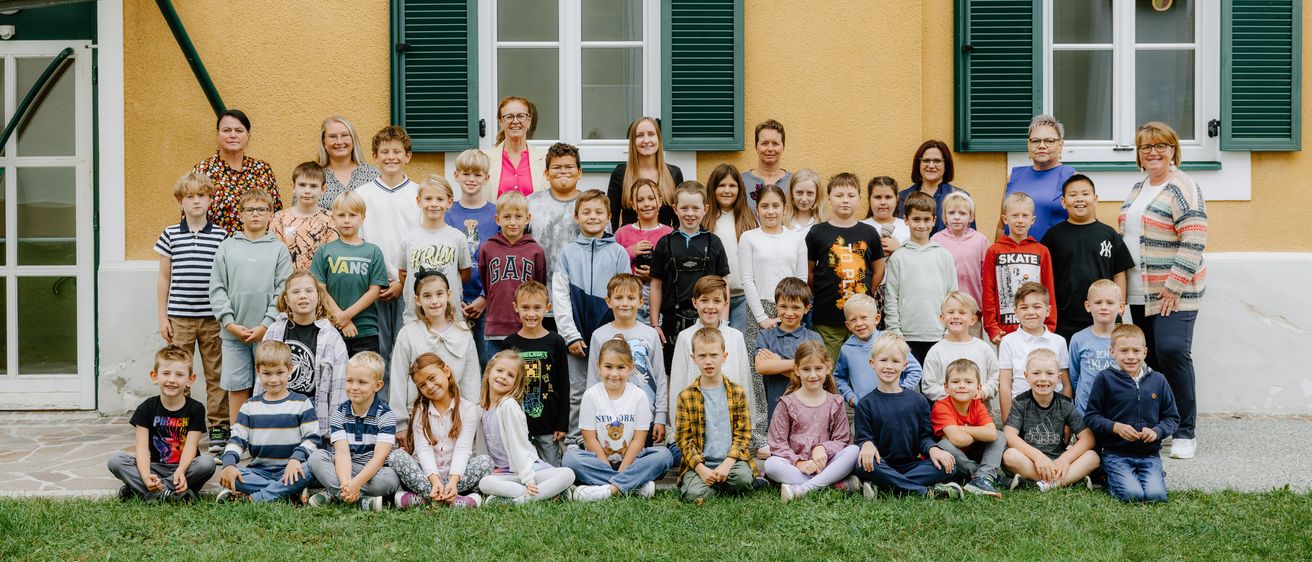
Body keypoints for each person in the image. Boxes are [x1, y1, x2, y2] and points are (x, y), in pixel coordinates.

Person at [1118, 121, 1207, 460]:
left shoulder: (1183, 185)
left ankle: (1186, 431)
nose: (1153, 152)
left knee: (1172, 352)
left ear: (1173, 151)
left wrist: (1173, 286)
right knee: (1149, 359)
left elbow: (1194, 238)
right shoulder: (1139, 187)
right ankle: (1160, 428)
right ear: (1139, 155)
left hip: (1175, 290)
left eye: (1161, 146)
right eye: (1145, 147)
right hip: (1141, 290)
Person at [155, 171, 229, 453]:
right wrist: (163, 317)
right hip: (180, 319)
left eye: (201, 196)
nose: (196, 201)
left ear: (210, 200)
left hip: (212, 318)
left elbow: (225, 277)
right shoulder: (170, 235)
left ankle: (219, 427)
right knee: (177, 372)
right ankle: (177, 426)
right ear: (180, 202)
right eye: (190, 196)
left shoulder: (221, 235)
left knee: (216, 374)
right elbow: (164, 277)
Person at [552, 190, 631, 442]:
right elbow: (560, 296)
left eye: (599, 212)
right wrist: (570, 335)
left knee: (611, 386)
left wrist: (620, 331)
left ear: (609, 217)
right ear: (576, 217)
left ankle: (611, 442)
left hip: (610, 332)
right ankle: (576, 441)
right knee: (577, 392)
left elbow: (626, 294)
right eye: (586, 212)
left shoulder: (618, 252)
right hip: (577, 335)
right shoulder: (567, 253)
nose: (592, 217)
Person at [209, 189, 292, 427]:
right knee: (237, 386)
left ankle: (264, 434)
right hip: (233, 332)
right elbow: (217, 287)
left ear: (270, 215)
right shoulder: (227, 247)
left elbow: (282, 289)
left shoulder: (278, 249)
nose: (256, 214)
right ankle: (238, 436)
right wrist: (229, 322)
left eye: (262, 210)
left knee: (269, 382)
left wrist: (265, 325)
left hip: (267, 334)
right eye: (250, 210)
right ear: (241, 215)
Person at [565, 336, 675, 501]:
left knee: (664, 455)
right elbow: (589, 440)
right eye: (608, 367)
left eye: (621, 367)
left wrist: (623, 470)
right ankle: (634, 487)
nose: (614, 374)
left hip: (632, 461)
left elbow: (638, 441)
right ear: (599, 367)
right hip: (598, 462)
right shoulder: (591, 395)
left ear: (630, 368)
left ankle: (607, 489)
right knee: (570, 459)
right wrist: (607, 466)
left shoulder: (639, 396)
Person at [853, 332, 960, 499]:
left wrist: (933, 449)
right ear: (872, 362)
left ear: (904, 365)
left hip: (912, 465)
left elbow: (924, 437)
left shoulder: (918, 401)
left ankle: (884, 487)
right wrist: (866, 443)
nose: (889, 366)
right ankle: (925, 492)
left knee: (949, 465)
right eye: (883, 360)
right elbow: (862, 438)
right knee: (862, 465)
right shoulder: (865, 404)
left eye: (895, 361)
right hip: (881, 464)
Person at [107, 345, 216, 502]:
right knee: (116, 460)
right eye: (166, 373)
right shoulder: (146, 408)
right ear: (154, 376)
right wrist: (145, 476)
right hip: (154, 468)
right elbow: (142, 448)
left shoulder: (196, 409)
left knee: (207, 463)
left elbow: (191, 447)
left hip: (184, 469)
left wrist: (181, 470)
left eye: (179, 375)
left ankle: (144, 491)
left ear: (190, 380)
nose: (172, 379)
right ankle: (169, 494)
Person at [1084, 324, 1180, 502]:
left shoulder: (1158, 380)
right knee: (1132, 495)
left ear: (1145, 352)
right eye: (1124, 351)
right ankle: (1109, 476)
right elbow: (1091, 416)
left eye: (1136, 351)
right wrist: (1115, 427)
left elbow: (1172, 418)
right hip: (1116, 454)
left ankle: (1154, 473)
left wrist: (1157, 431)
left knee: (1156, 496)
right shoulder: (1105, 379)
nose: (1130, 356)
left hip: (1149, 455)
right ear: (1113, 351)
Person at [216, 341, 320, 503]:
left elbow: (312, 439)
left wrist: (295, 459)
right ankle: (287, 491)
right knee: (233, 475)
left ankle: (259, 497)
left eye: (279, 372)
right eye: (267, 373)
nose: (274, 379)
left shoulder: (301, 403)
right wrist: (228, 464)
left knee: (313, 467)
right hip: (258, 472)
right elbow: (237, 440)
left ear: (290, 369)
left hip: (292, 467)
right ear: (258, 371)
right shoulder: (250, 406)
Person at [388, 353, 491, 508]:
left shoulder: (468, 409)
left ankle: (423, 498)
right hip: (425, 474)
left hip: (455, 474)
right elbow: (423, 449)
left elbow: (463, 448)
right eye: (422, 385)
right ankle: (453, 499)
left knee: (485, 462)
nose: (429, 386)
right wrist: (435, 481)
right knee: (396, 456)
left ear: (446, 371)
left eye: (432, 378)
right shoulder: (420, 410)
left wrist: (453, 481)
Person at [356, 126, 421, 369]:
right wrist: (383, 280)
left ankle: (407, 404)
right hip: (375, 285)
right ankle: (381, 403)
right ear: (375, 156)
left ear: (408, 156)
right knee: (380, 350)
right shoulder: (362, 194)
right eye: (384, 151)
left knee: (408, 348)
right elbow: (361, 241)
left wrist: (401, 281)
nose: (391, 157)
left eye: (397, 151)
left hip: (409, 283)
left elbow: (420, 241)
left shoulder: (418, 195)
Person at [667, 276, 758, 448]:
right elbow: (678, 382)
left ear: (725, 303)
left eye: (717, 301)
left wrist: (748, 425)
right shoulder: (685, 337)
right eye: (704, 300)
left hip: (729, 427)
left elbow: (745, 380)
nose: (710, 306)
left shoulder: (735, 337)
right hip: (696, 427)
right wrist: (677, 429)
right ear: (695, 302)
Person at [1041, 174, 1133, 343]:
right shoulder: (1053, 236)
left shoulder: (1109, 234)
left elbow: (1119, 273)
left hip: (1103, 318)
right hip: (1064, 320)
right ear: (1063, 202)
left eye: (1085, 194)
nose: (1079, 199)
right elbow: (1044, 275)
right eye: (1073, 195)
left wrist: (1119, 310)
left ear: (1095, 199)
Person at [764, 341, 860, 501]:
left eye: (818, 368)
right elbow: (777, 443)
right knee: (771, 464)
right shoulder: (787, 403)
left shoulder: (835, 402)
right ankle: (834, 483)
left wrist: (822, 448)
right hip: (797, 466)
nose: (813, 375)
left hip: (826, 464)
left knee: (853, 451)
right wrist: (799, 462)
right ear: (796, 370)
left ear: (828, 367)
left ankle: (803, 488)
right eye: (806, 369)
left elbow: (841, 439)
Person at [477, 350, 577, 503]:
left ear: (516, 383)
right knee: (485, 483)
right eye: (499, 370)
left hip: (527, 468)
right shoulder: (481, 408)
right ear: (489, 371)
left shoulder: (508, 406)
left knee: (568, 474)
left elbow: (519, 447)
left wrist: (529, 479)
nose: (503, 376)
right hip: (503, 473)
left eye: (511, 375)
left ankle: (519, 501)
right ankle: (548, 494)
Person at [307, 351, 401, 510]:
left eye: (362, 382)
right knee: (316, 458)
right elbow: (342, 453)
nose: (354, 387)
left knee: (390, 479)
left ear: (377, 386)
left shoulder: (385, 415)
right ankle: (360, 501)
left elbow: (379, 458)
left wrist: (356, 483)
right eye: (349, 381)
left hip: (374, 471)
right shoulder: (339, 413)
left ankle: (335, 494)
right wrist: (346, 483)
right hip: (344, 467)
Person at [650, 181, 731, 366]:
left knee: (706, 367)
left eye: (695, 208)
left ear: (705, 209)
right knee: (674, 370)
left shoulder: (714, 242)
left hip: (708, 321)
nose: (690, 213)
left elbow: (723, 283)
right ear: (675, 209)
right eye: (684, 208)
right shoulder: (665, 243)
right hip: (672, 324)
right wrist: (655, 324)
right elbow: (656, 285)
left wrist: (723, 322)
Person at [806, 173, 884, 360]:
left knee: (862, 365)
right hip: (827, 317)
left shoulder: (869, 232)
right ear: (829, 199)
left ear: (859, 199)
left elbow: (879, 269)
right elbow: (809, 272)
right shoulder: (817, 232)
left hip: (861, 318)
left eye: (850, 195)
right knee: (828, 368)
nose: (845, 201)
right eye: (839, 195)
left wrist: (867, 294)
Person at [260, 271, 348, 438]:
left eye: (309, 291)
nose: (303, 296)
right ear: (286, 299)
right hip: (279, 418)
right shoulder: (275, 331)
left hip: (314, 421)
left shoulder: (331, 337)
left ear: (318, 296)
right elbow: (261, 378)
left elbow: (339, 388)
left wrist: (333, 433)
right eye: (296, 292)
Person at [585, 274, 669, 446]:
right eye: (618, 298)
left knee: (655, 457)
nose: (625, 303)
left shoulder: (651, 335)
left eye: (631, 298)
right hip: (607, 416)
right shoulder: (599, 336)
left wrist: (660, 417)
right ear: (608, 301)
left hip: (643, 416)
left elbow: (660, 378)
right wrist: (591, 415)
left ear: (641, 301)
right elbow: (593, 380)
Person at [675, 328, 756, 504]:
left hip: (732, 461)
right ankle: (717, 484)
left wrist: (728, 463)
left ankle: (723, 483)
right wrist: (701, 469)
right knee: (692, 495)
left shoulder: (737, 392)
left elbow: (743, 434)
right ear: (693, 358)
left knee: (741, 478)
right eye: (702, 356)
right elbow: (683, 439)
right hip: (700, 463)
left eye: (714, 355)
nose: (708, 361)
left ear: (724, 356)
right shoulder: (686, 396)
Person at [1002, 348, 1100, 491]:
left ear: (1059, 377)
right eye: (1036, 373)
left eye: (1049, 373)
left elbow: (1088, 438)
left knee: (1093, 457)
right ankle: (1064, 481)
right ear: (1026, 376)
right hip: (1031, 460)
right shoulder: (1020, 402)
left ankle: (1040, 485)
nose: (1043, 378)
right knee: (1010, 456)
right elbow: (1009, 435)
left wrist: (1065, 459)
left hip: (1058, 461)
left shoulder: (1065, 404)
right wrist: (1037, 456)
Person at [309, 191, 390, 362]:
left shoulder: (372, 251)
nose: (347, 220)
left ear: (362, 217)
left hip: (366, 330)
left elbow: (375, 290)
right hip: (330, 328)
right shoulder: (324, 251)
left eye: (352, 215)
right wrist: (340, 318)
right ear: (333, 217)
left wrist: (346, 317)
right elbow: (319, 288)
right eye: (341, 215)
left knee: (365, 381)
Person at [390, 273, 481, 419]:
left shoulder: (463, 333)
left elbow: (472, 379)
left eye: (439, 294)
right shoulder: (408, 333)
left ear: (449, 295)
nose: (434, 301)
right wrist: (400, 420)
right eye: (427, 296)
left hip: (456, 415)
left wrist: (472, 416)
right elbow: (398, 379)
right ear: (417, 300)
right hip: (419, 415)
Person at [883, 192, 958, 364]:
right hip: (906, 336)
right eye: (916, 219)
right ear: (906, 220)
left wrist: (949, 329)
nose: (921, 225)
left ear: (933, 220)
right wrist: (895, 332)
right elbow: (891, 298)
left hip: (939, 334)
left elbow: (952, 296)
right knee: (909, 385)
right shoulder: (898, 257)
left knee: (934, 384)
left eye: (926, 219)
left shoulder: (944, 255)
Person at [502, 282, 570, 465]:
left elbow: (564, 384)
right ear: (516, 307)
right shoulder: (510, 343)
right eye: (525, 307)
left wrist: (562, 423)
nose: (531, 314)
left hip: (548, 424)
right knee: (522, 468)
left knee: (553, 470)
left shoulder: (556, 342)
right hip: (520, 424)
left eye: (537, 308)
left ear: (547, 308)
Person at [739, 184, 806, 362]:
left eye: (776, 206)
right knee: (761, 367)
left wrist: (792, 309)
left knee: (791, 362)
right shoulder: (748, 238)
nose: (770, 212)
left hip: (790, 309)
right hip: (760, 307)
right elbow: (747, 280)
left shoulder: (796, 238)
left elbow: (802, 278)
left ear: (784, 208)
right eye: (765, 206)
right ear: (757, 209)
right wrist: (762, 317)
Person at [446, 149, 500, 368]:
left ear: (487, 178)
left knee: (486, 361)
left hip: (487, 299)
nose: (471, 179)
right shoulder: (447, 213)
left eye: (477, 174)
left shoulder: (496, 215)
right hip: (453, 299)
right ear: (456, 176)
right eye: (466, 174)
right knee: (456, 361)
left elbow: (501, 262)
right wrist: (451, 297)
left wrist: (484, 297)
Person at [753, 278, 824, 440]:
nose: (789, 313)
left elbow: (817, 375)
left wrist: (777, 363)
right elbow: (761, 367)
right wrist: (801, 365)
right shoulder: (766, 336)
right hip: (776, 409)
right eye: (783, 306)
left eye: (796, 307)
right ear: (776, 306)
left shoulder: (814, 338)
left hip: (809, 411)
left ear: (807, 308)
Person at [982, 192, 1056, 344]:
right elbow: (988, 291)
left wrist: (1049, 324)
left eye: (1025, 215)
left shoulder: (1042, 251)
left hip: (1037, 328)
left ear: (1032, 220)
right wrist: (992, 327)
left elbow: (1049, 289)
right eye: (1015, 215)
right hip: (1004, 331)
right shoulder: (994, 251)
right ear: (1005, 219)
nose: (1020, 220)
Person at [398, 175, 472, 326]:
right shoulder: (409, 239)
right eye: (428, 198)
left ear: (449, 202)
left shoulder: (457, 238)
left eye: (440, 199)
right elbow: (404, 276)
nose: (434, 204)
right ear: (419, 201)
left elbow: (464, 274)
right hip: (416, 319)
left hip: (450, 317)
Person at [480, 191, 547, 355]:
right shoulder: (488, 248)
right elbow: (485, 282)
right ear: (497, 219)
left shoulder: (535, 250)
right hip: (495, 326)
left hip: (525, 327)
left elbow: (539, 286)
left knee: (525, 375)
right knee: (496, 376)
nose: (513, 222)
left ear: (527, 218)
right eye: (507, 216)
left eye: (518, 216)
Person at [193, 108, 281, 234]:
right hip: (216, 249)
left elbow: (276, 213)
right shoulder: (203, 170)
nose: (233, 135)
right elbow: (190, 215)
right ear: (217, 134)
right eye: (227, 130)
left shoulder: (262, 169)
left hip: (258, 248)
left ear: (248, 135)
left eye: (239, 130)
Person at [998, 282, 1070, 423]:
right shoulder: (1008, 341)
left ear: (1048, 310)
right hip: (1021, 414)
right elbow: (1005, 385)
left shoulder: (1059, 341)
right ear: (1016, 311)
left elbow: (1065, 384)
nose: (1030, 312)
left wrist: (1066, 423)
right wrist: (1008, 422)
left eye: (1037, 307)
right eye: (1024, 308)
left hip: (1054, 414)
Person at [931, 359, 1004, 497]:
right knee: (944, 443)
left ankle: (983, 476)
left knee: (1000, 435)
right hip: (952, 460)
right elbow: (959, 440)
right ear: (946, 387)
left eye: (968, 382)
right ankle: (984, 476)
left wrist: (959, 428)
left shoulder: (977, 405)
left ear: (978, 388)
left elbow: (992, 434)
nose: (962, 386)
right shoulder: (941, 407)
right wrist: (977, 432)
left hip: (972, 453)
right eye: (955, 382)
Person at [833, 294, 922, 407]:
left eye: (864, 317)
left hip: (895, 406)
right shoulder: (847, 349)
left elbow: (915, 370)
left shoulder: (890, 341)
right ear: (848, 325)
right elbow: (840, 376)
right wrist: (850, 396)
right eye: (853, 320)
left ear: (876, 319)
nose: (859, 323)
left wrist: (902, 393)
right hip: (865, 409)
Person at [997, 114, 1076, 242]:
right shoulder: (1013, 177)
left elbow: (1082, 226)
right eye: (1035, 141)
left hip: (1053, 257)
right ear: (1028, 144)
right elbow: (1001, 225)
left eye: (1049, 141)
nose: (1042, 146)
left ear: (1060, 145)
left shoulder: (1071, 178)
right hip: (1014, 257)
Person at [920, 292, 999, 416]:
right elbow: (928, 386)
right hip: (947, 415)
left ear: (972, 319)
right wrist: (954, 394)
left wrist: (983, 391)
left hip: (979, 414)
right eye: (951, 312)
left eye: (962, 313)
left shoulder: (983, 348)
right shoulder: (936, 351)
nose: (956, 316)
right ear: (942, 318)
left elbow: (995, 377)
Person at [704, 164, 760, 335]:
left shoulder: (750, 220)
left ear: (740, 189)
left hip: (745, 296)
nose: (727, 190)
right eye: (721, 185)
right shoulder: (705, 221)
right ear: (713, 189)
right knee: (716, 343)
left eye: (732, 185)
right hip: (714, 297)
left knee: (740, 344)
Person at [614, 179, 674, 325]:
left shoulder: (670, 234)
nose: (646, 204)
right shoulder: (622, 233)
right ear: (633, 205)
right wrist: (630, 251)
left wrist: (654, 276)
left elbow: (674, 271)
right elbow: (612, 266)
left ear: (660, 201)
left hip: (660, 303)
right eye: (640, 200)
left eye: (651, 198)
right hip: (628, 302)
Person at [607, 116, 684, 230]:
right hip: (629, 244)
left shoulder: (674, 173)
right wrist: (626, 248)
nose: (646, 140)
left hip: (664, 245)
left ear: (659, 139)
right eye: (640, 135)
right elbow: (611, 223)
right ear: (633, 142)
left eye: (651, 134)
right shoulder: (620, 174)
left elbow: (679, 222)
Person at [931, 191, 990, 337]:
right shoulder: (936, 240)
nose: (956, 217)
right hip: (945, 309)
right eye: (951, 213)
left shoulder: (980, 240)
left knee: (972, 348)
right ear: (945, 217)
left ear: (971, 216)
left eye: (962, 213)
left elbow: (986, 276)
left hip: (972, 308)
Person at [527, 143, 584, 281]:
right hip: (536, 291)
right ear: (546, 173)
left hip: (578, 288)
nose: (563, 171)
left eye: (569, 167)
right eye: (557, 167)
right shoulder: (530, 203)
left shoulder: (591, 205)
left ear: (579, 172)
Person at [270, 161, 338, 271]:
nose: (307, 191)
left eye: (313, 186)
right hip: (287, 283)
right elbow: (274, 254)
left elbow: (332, 256)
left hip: (320, 284)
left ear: (323, 189)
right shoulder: (279, 218)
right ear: (293, 187)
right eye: (302, 185)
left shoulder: (331, 219)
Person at [1071, 280, 1126, 414]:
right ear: (1088, 306)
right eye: (1098, 302)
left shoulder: (1126, 339)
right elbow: (1074, 377)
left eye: (1110, 302)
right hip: (1086, 413)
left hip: (1118, 412)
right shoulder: (1078, 339)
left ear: (1121, 306)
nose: (1104, 307)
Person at [896, 140, 971, 235]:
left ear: (946, 164)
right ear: (918, 164)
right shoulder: (903, 197)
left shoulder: (961, 197)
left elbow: (970, 237)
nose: (931, 166)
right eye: (926, 160)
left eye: (937, 161)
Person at [483, 96, 547, 200]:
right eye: (509, 116)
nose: (515, 121)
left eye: (521, 116)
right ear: (501, 122)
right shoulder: (485, 159)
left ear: (529, 121)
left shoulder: (545, 159)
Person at [316, 115, 380, 209]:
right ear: (324, 142)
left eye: (345, 135)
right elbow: (298, 217)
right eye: (332, 136)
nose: (339, 142)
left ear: (353, 139)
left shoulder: (374, 176)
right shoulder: (312, 177)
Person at [740, 119, 793, 205]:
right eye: (764, 143)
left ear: (783, 147)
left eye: (775, 143)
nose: (770, 149)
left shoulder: (794, 182)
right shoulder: (740, 181)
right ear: (756, 147)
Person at [861, 176, 909, 257]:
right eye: (877, 197)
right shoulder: (860, 227)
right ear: (869, 199)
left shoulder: (907, 227)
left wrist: (899, 249)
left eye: (888, 197)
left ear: (897, 199)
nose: (883, 202)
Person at [785, 169, 824, 233]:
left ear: (817, 195)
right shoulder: (783, 220)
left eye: (810, 193)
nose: (804, 199)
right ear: (792, 193)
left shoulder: (824, 221)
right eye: (799, 193)